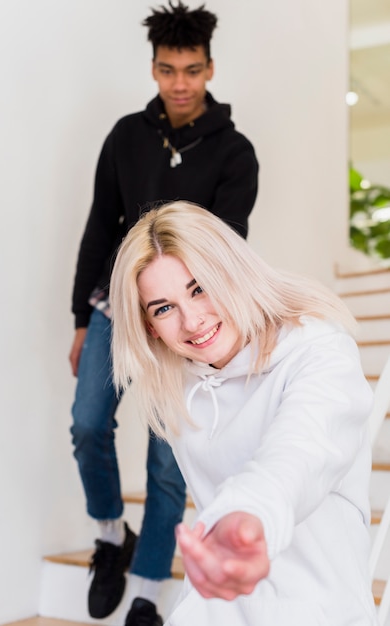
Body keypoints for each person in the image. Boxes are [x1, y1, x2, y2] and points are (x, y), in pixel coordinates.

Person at [69, 1, 259, 624]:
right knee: (89, 425)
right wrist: (80, 317)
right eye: (167, 69)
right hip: (114, 305)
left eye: (192, 70)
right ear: (153, 69)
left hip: (182, 322)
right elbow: (102, 223)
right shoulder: (126, 135)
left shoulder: (235, 152)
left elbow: (226, 252)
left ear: (210, 69)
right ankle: (108, 535)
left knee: (166, 460)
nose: (180, 83)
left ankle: (148, 587)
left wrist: (209, 334)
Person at [109, 201, 378, 626]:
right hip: (214, 607)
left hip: (318, 608)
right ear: (148, 325)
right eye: (163, 308)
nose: (192, 321)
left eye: (199, 288)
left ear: (230, 271)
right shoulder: (177, 382)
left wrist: (246, 520)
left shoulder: (318, 350)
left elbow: (300, 451)